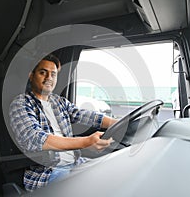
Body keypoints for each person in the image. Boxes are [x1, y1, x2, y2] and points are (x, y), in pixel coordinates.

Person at [9, 54, 117, 192]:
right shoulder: (21, 103)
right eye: (43, 73)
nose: (49, 78)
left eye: (53, 74)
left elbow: (86, 115)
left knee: (111, 176)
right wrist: (86, 142)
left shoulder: (58, 101)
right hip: (48, 172)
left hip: (76, 163)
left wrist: (119, 122)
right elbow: (36, 139)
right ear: (31, 75)